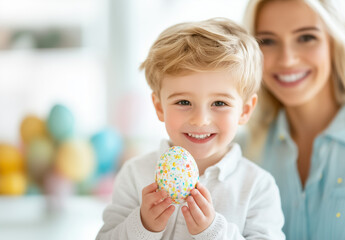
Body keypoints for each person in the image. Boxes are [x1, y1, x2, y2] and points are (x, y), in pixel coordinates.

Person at [96, 18, 285, 240]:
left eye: (219, 103)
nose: (200, 120)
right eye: (184, 102)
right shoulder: (134, 175)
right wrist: (142, 225)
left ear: (244, 110)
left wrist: (213, 231)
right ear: (159, 106)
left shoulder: (257, 187)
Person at [239, 0, 345, 239]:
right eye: (268, 41)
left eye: (306, 38)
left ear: (334, 42)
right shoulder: (240, 154)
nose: (287, 60)